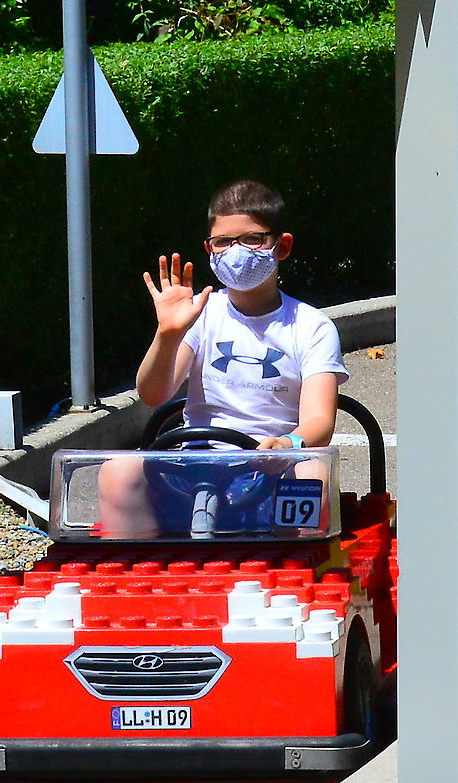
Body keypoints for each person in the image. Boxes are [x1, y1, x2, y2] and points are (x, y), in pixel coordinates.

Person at [95, 179, 345, 538]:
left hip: (271, 461)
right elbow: (152, 394)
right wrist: (168, 334)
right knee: (117, 472)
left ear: (282, 246)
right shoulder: (202, 313)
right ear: (209, 249)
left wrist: (287, 444)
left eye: (252, 239)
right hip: (197, 457)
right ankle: (142, 565)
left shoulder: (310, 326)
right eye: (223, 242)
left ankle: (292, 565)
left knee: (311, 476)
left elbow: (319, 419)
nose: (236, 252)